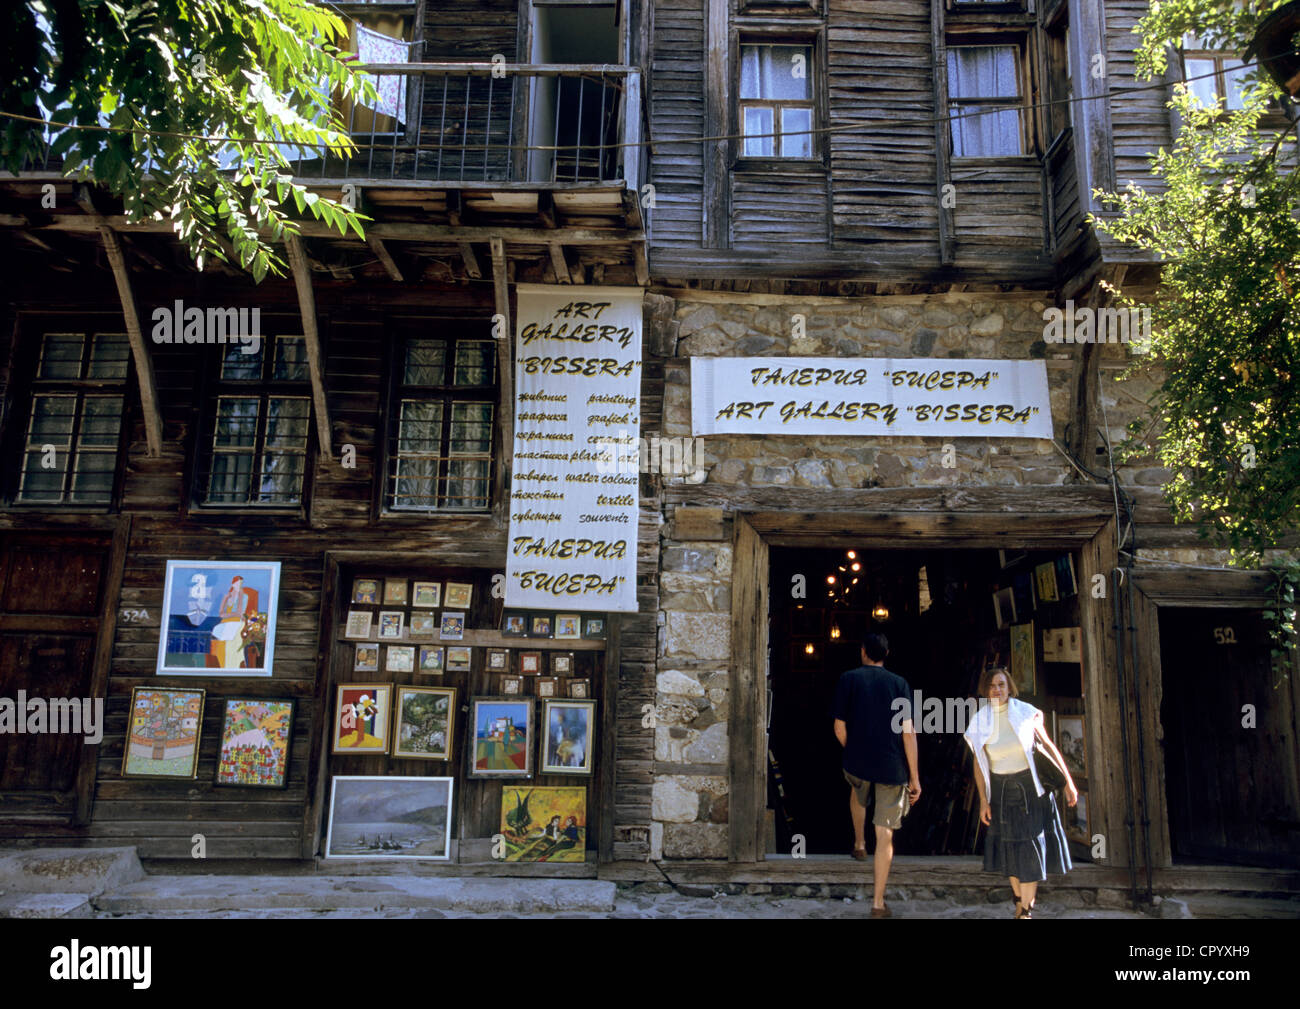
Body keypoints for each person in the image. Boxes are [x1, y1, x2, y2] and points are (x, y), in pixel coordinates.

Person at [963, 666, 1077, 918]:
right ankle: (1018, 902)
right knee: (1009, 848)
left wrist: (1068, 781)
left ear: (1009, 687)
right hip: (1001, 790)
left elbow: (1048, 746)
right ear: (986, 689)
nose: (997, 689)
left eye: (1002, 684)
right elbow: (979, 766)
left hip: (1030, 790)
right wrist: (983, 801)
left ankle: (1026, 910)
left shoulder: (1026, 713)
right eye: (992, 685)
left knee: (1029, 848)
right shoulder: (980, 721)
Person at [832, 632, 921, 918]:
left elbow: (839, 727)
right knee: (885, 835)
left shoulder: (849, 678)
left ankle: (859, 843)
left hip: (857, 761)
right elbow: (908, 732)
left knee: (858, 793)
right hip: (892, 766)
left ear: (863, 652)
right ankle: (878, 903)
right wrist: (915, 776)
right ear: (887, 653)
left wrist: (854, 749)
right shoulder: (899, 684)